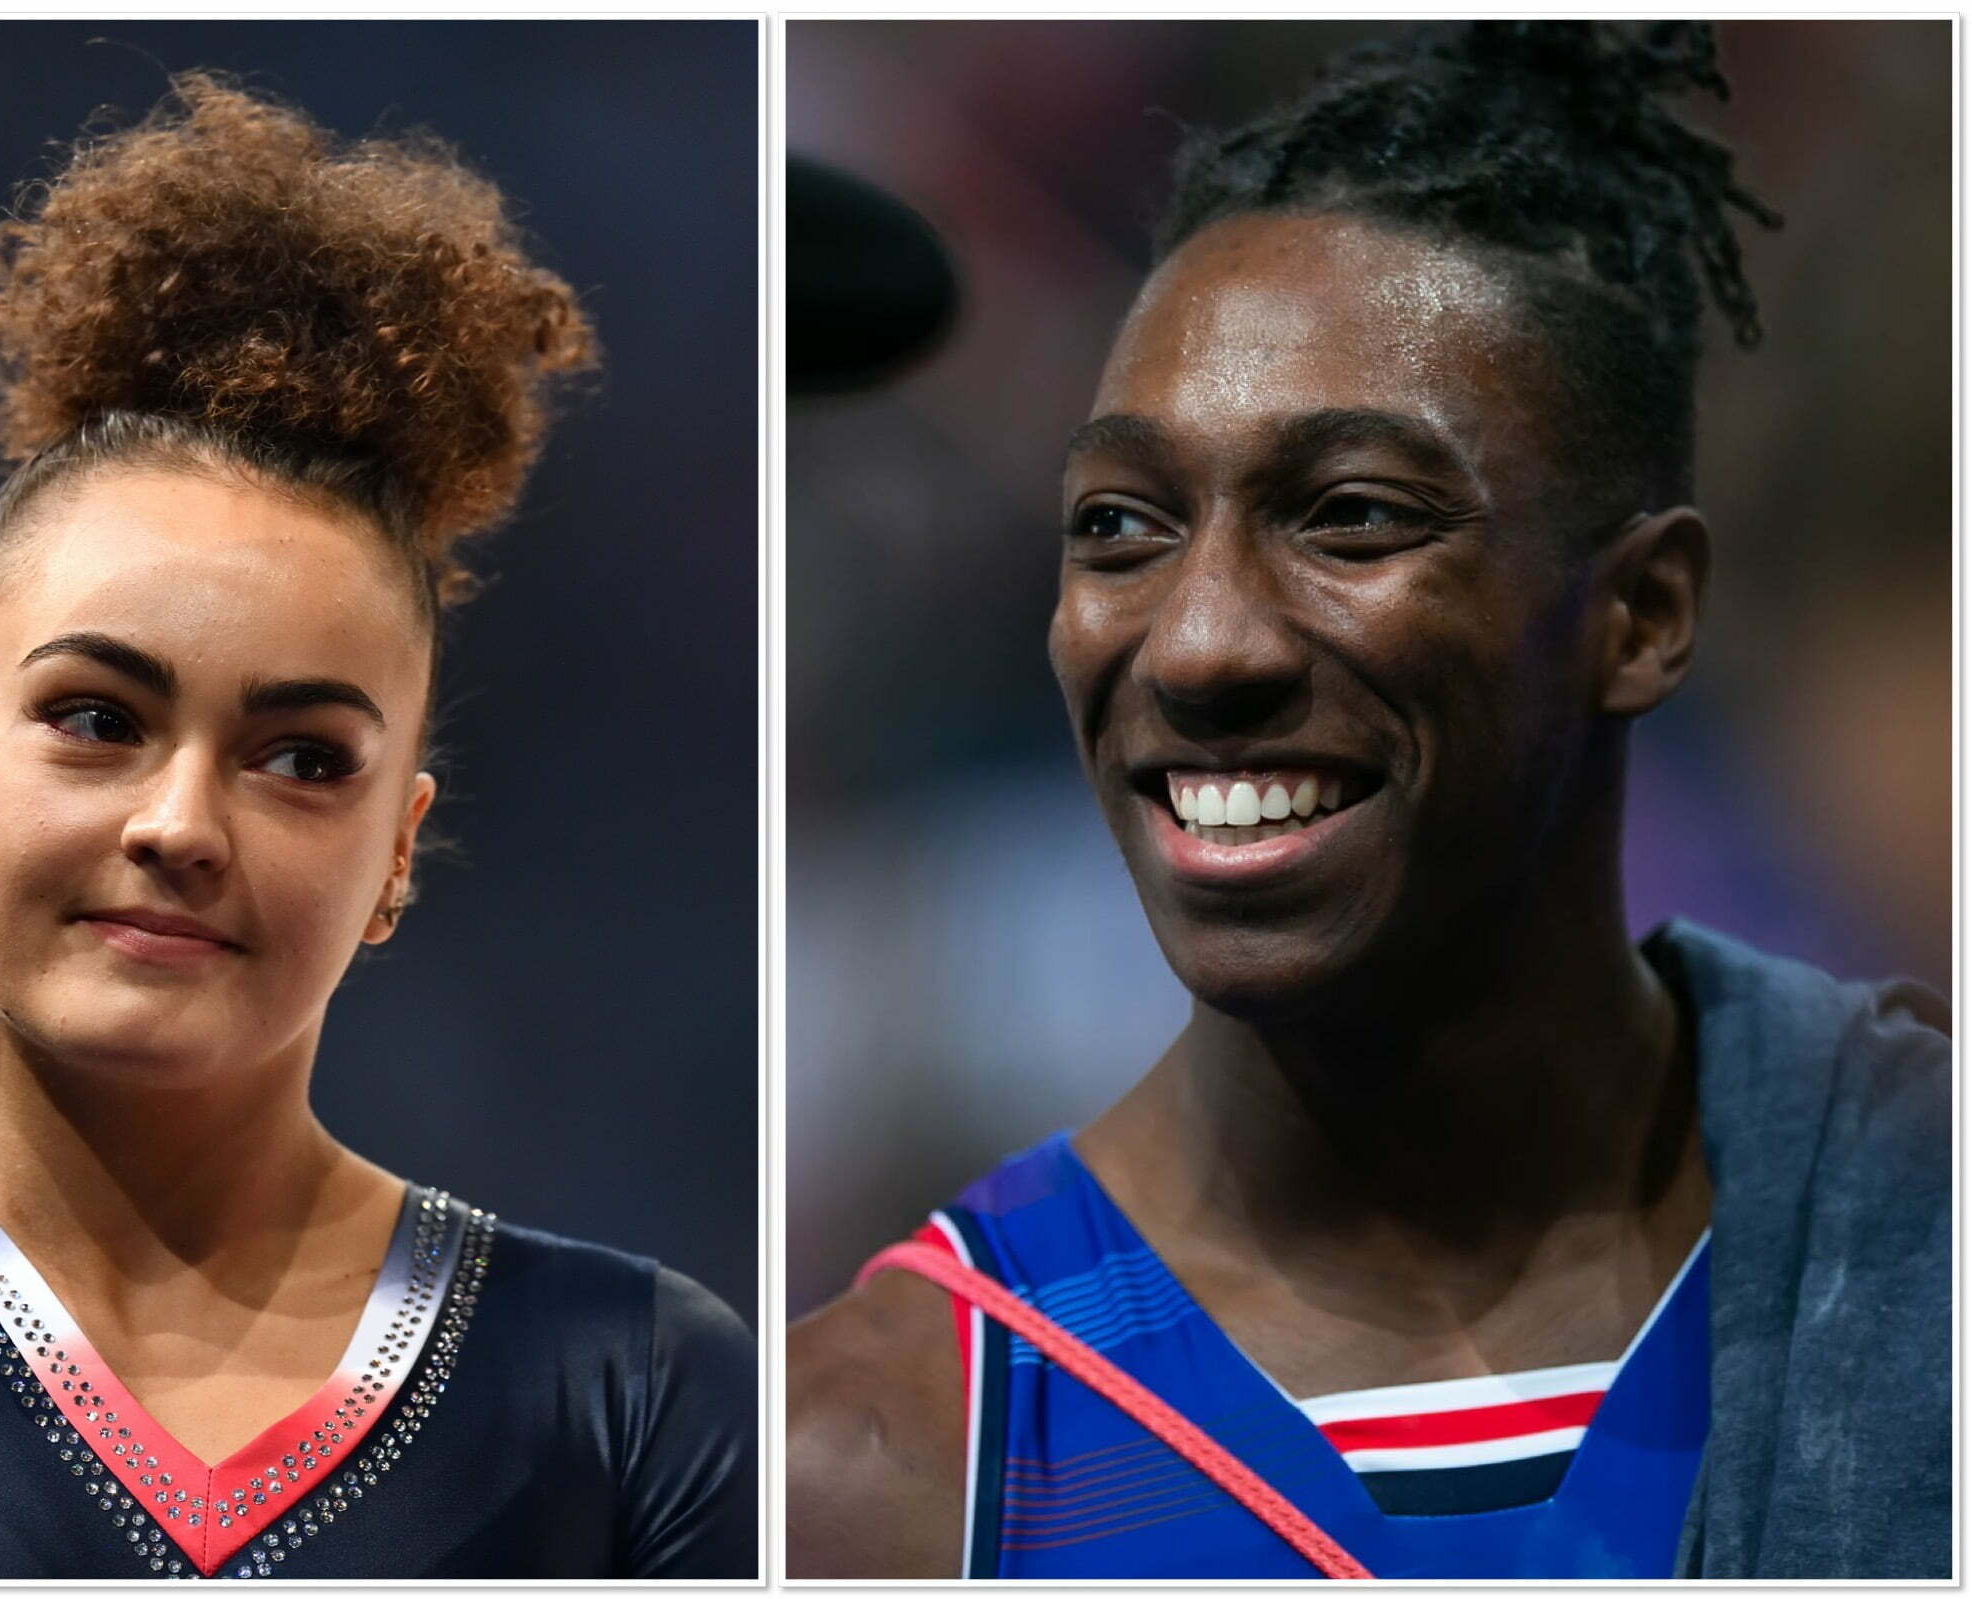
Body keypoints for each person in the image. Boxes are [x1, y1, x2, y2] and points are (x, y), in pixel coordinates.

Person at [787, 21, 1947, 1581]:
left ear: (1644, 614)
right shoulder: (879, 1457)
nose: (1198, 646)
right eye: (1121, 524)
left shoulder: (1909, 1243)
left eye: (1350, 516)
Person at [0, 74, 754, 1580]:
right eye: (94, 718)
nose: (182, 822)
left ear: (400, 853)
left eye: (300, 758)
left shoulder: (630, 1394)